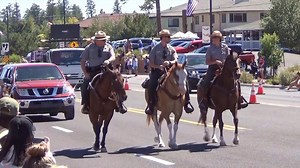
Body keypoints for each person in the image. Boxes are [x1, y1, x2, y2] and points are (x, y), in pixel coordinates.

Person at [145, 29, 194, 115]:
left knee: (184, 81)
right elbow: (151, 63)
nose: (169, 38)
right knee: (152, 83)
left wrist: (169, 62)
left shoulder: (171, 49)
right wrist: (159, 66)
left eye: (169, 36)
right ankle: (151, 104)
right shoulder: (155, 49)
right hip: (158, 71)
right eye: (167, 36)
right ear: (162, 37)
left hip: (170, 70)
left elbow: (175, 59)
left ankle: (187, 103)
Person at [198, 30, 247, 109]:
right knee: (206, 81)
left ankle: (239, 99)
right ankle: (204, 100)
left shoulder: (225, 47)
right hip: (213, 68)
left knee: (236, 81)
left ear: (220, 38)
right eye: (213, 37)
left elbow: (229, 58)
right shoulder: (210, 49)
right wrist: (215, 61)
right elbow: (207, 62)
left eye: (216, 37)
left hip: (225, 68)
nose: (215, 39)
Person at [80, 31, 122, 114]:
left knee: (117, 83)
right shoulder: (89, 48)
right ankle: (86, 105)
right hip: (93, 71)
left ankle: (119, 104)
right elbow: (82, 61)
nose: (105, 41)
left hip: (106, 71)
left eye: (105, 39)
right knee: (84, 86)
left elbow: (113, 56)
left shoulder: (108, 47)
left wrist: (108, 60)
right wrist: (85, 73)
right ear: (96, 40)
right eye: (103, 40)